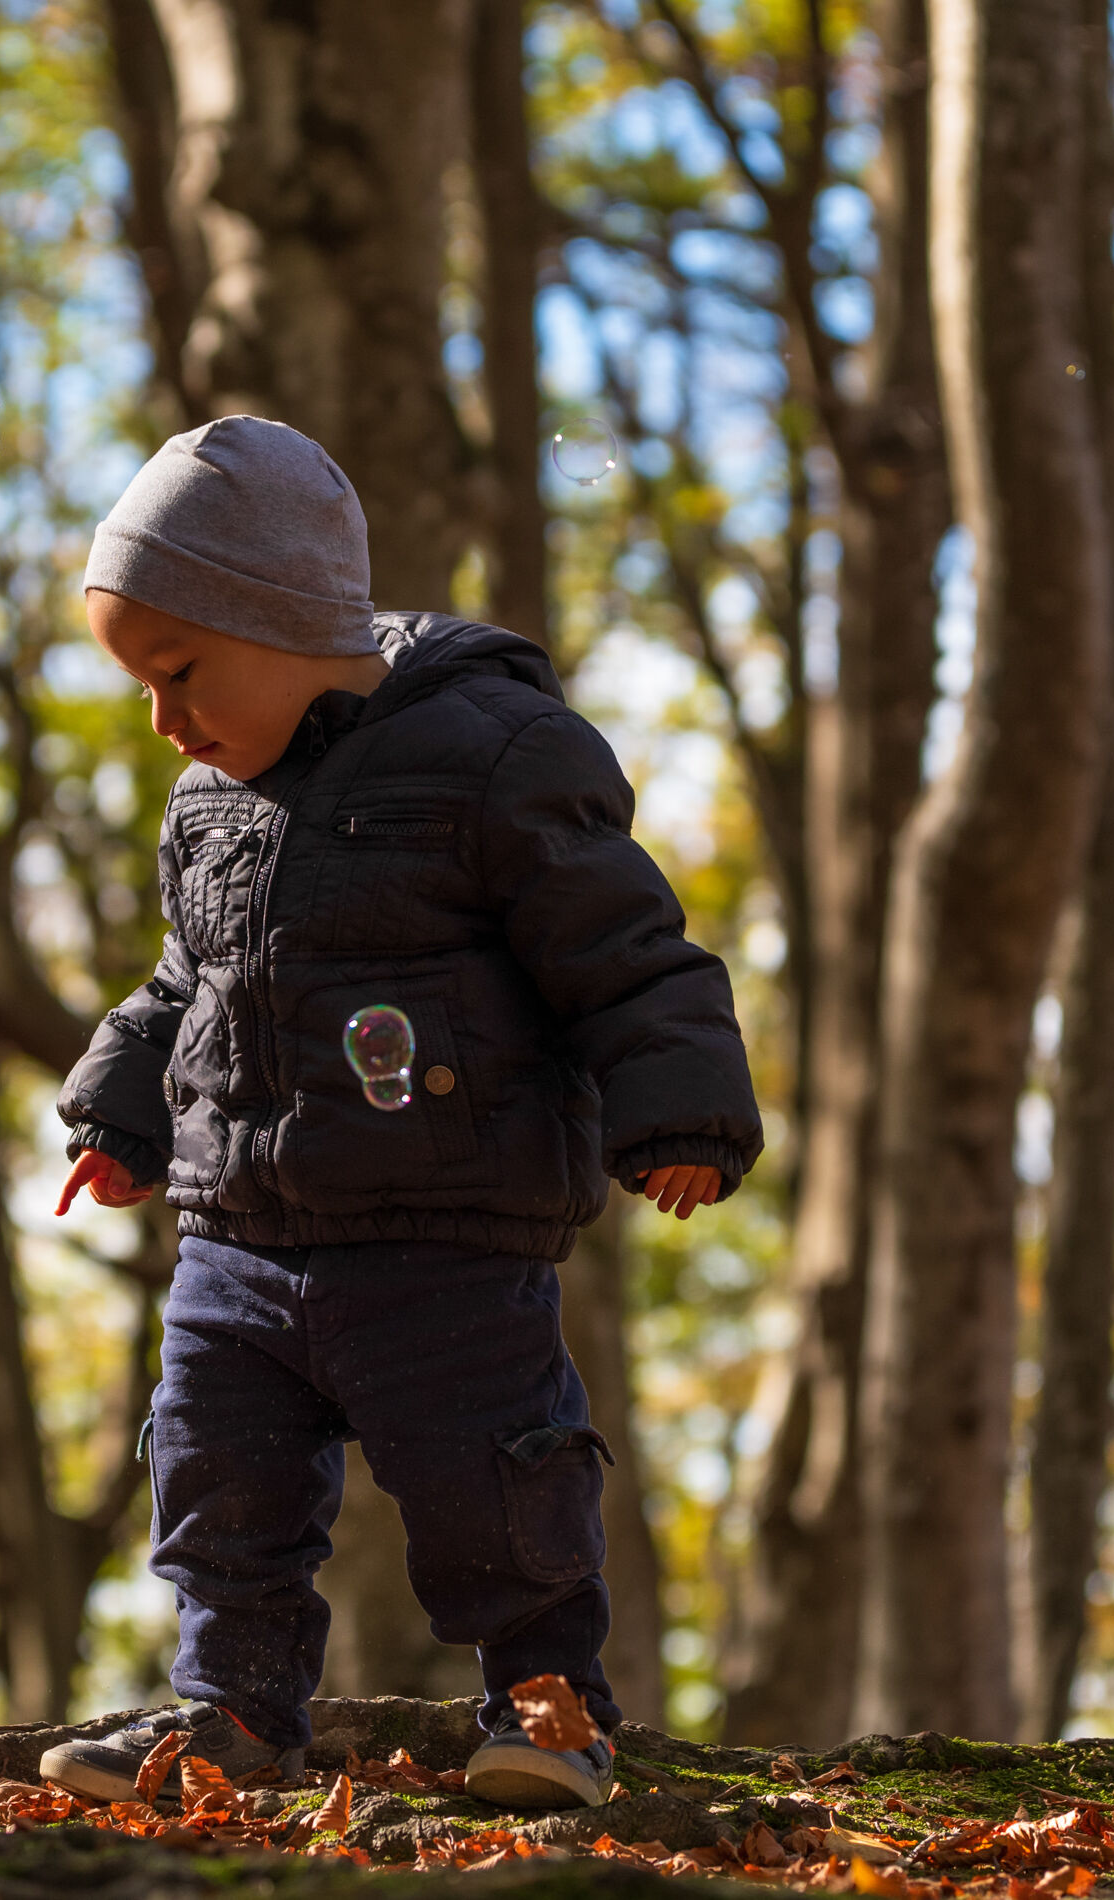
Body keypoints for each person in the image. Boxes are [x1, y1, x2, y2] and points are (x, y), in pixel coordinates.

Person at [39, 416, 762, 1811]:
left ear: (286, 619)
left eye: (178, 672)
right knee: (214, 1486)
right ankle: (231, 1714)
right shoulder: (213, 805)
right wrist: (120, 1119)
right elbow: (186, 977)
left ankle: (552, 1709)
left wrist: (677, 1108)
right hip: (240, 1236)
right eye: (138, 685)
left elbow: (627, 949)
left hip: (446, 1232)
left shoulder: (500, 753)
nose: (163, 720)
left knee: (496, 1495)